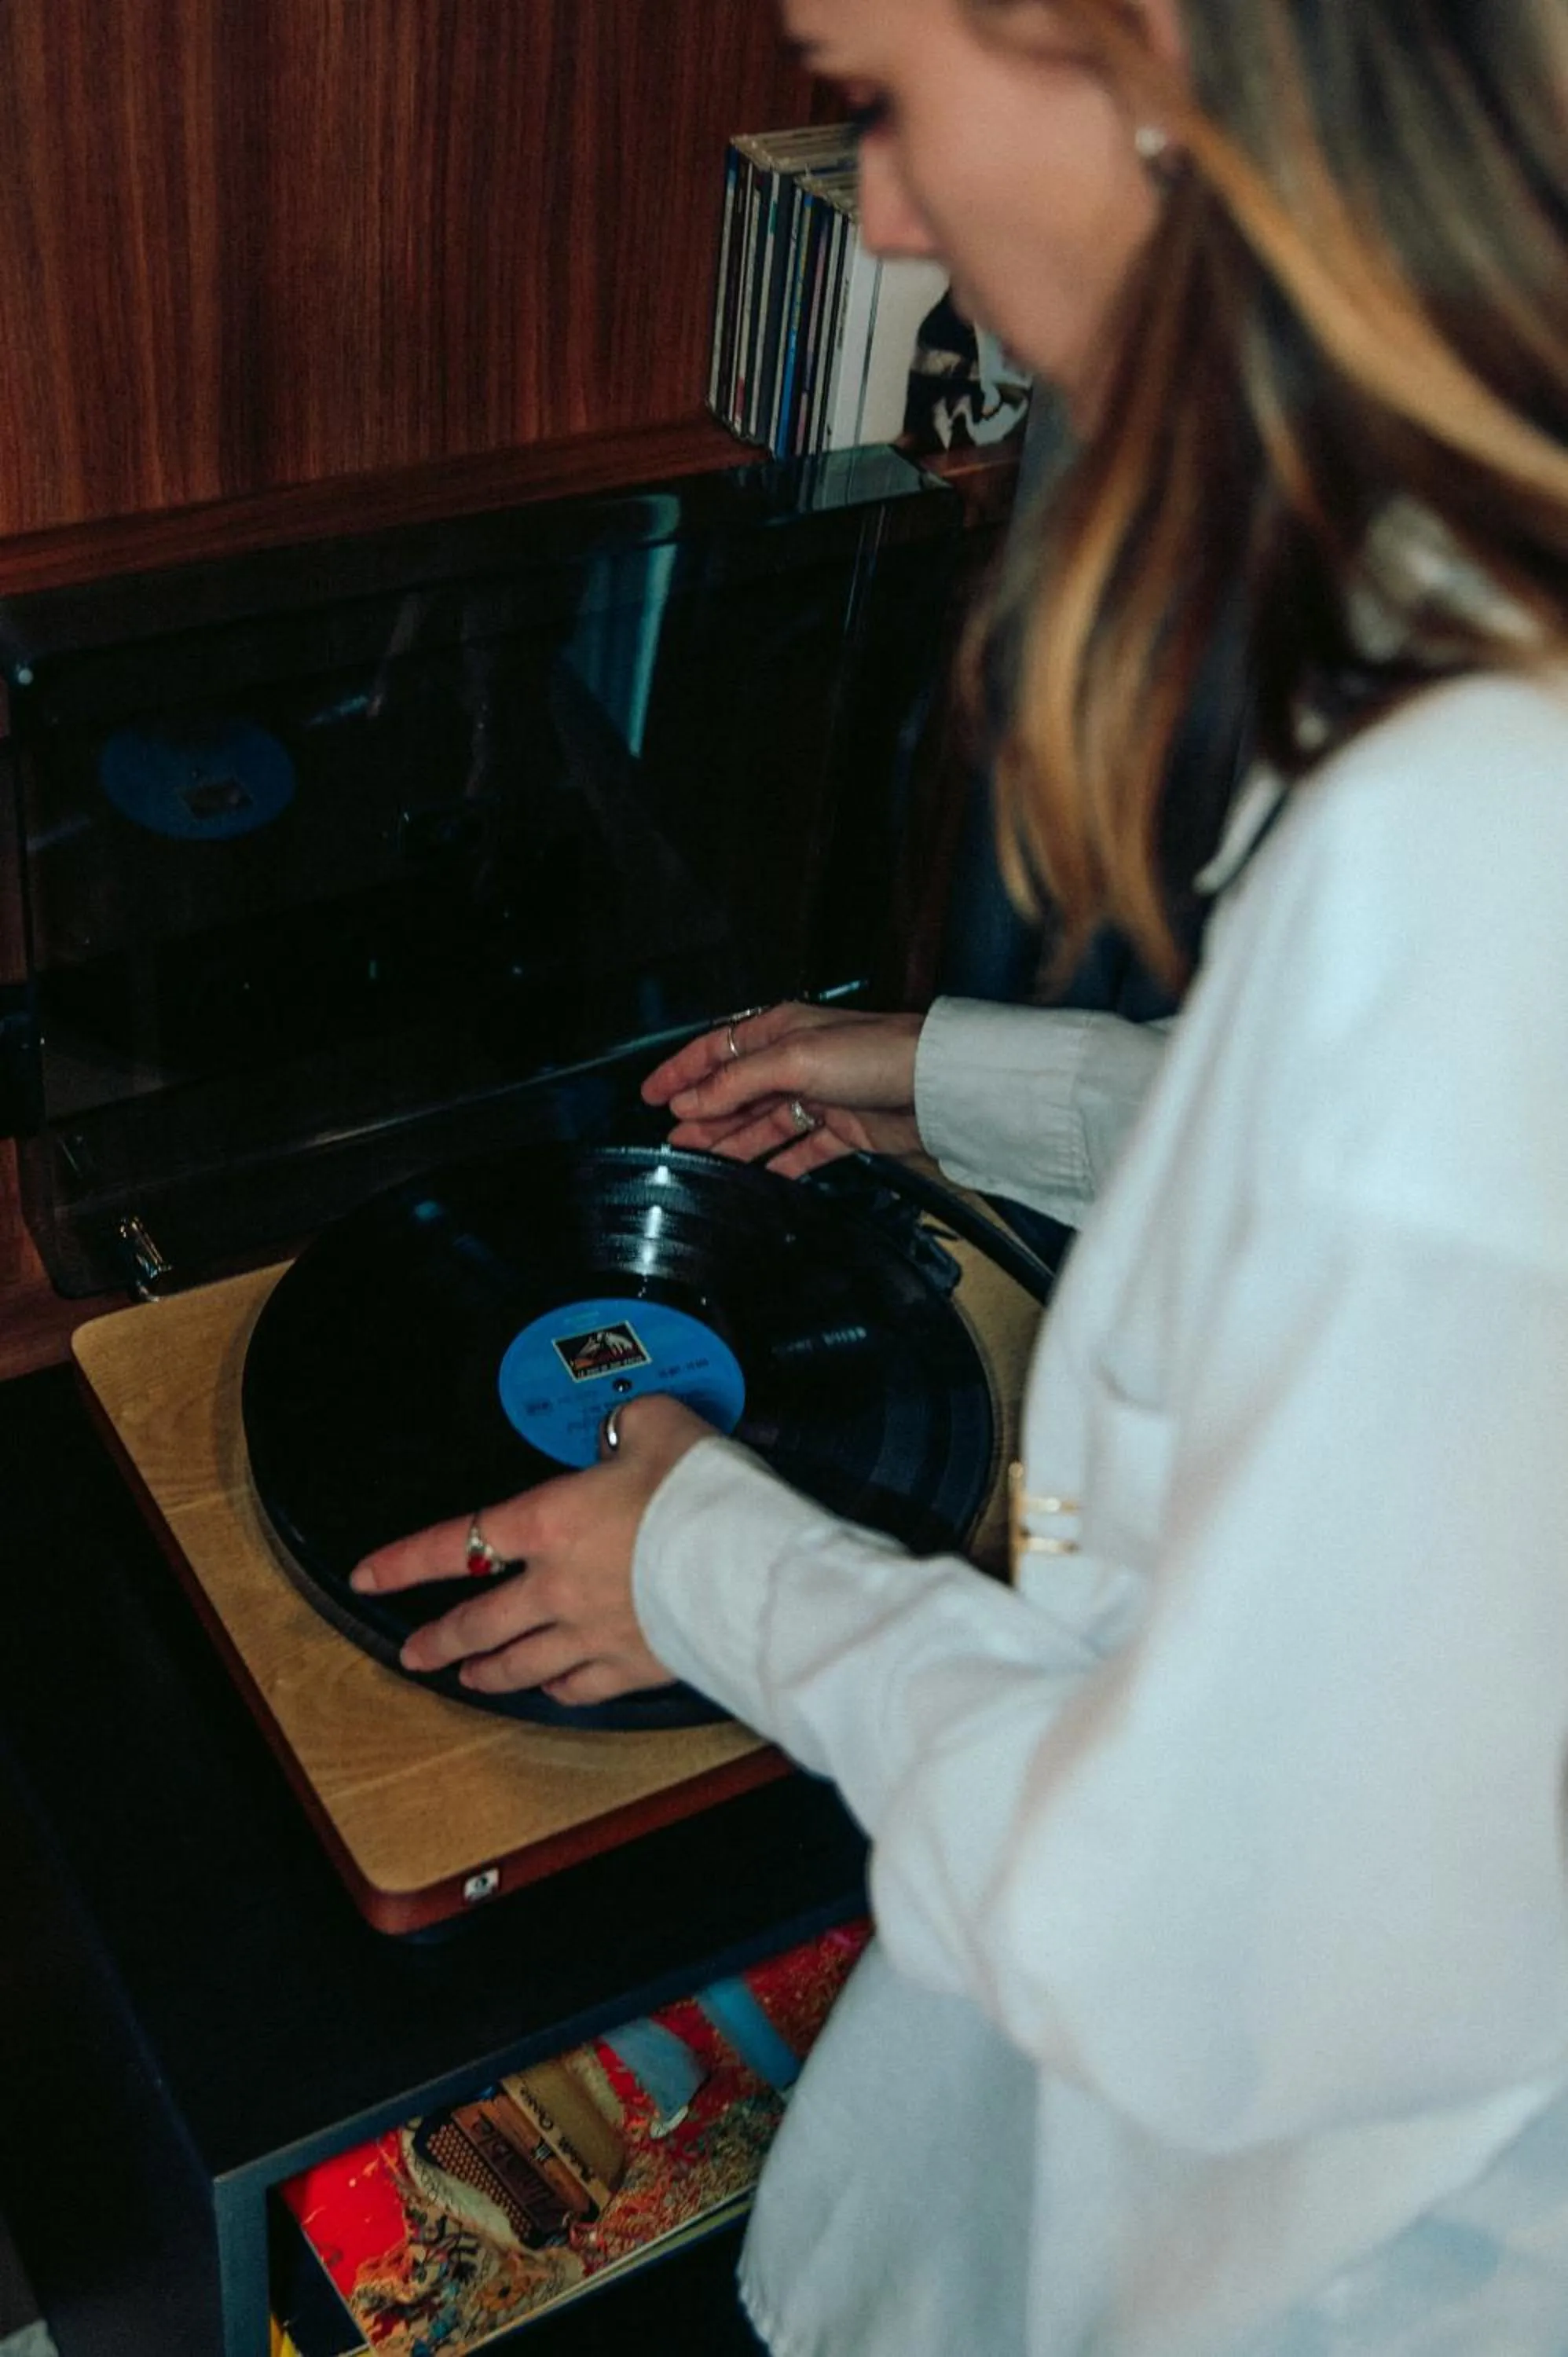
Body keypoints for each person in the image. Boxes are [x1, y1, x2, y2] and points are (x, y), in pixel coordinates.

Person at [350, 0, 1568, 2347]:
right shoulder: (1473, 668)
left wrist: (705, 1556)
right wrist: (951, 1078)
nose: (881, 209)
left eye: (880, 93)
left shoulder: (1473, 834)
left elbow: (1196, 1945)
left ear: (1163, 66)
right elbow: (1410, 1165)